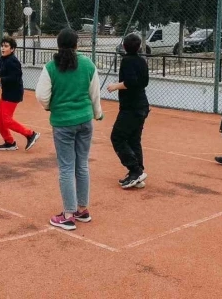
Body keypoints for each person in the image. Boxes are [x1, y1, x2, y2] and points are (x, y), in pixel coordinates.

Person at [35, 28, 103, 231]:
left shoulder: (50, 67)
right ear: (76, 45)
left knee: (66, 167)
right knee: (81, 165)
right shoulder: (88, 64)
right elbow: (95, 94)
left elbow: (42, 95)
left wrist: (50, 106)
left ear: (58, 45)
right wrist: (97, 113)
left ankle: (68, 214)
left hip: (63, 122)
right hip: (84, 120)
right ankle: (82, 209)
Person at [107, 33, 150, 189]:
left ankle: (135, 170)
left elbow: (131, 82)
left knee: (117, 137)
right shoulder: (142, 61)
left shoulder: (126, 61)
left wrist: (115, 86)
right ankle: (137, 173)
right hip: (141, 105)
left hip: (131, 107)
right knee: (133, 139)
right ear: (139, 47)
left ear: (124, 46)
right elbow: (144, 82)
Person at [0, 36, 40, 152]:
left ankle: (31, 134)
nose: (3, 48)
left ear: (12, 49)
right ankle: (10, 142)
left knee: (7, 120)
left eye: (6, 46)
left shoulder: (13, 61)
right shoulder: (3, 59)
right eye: (2, 46)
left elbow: (15, 78)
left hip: (14, 93)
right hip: (6, 92)